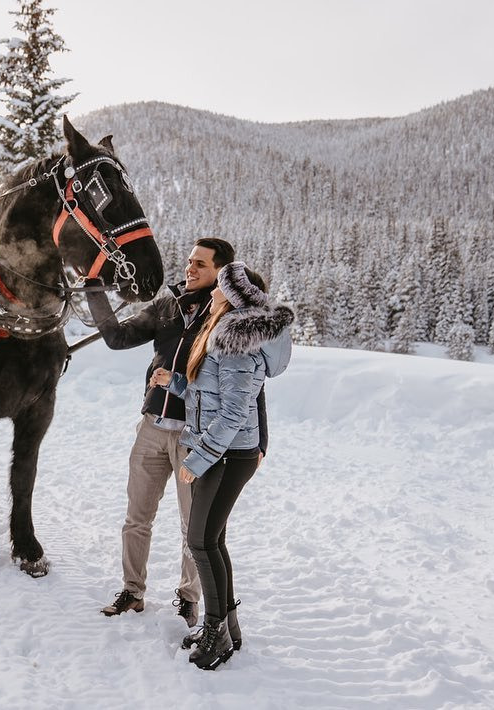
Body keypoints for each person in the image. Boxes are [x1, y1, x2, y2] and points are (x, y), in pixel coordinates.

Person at [90, 238, 267, 626]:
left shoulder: (227, 311)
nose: (190, 268)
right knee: (137, 516)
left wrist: (261, 440)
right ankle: (132, 591)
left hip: (197, 435)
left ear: (220, 271)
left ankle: (189, 599)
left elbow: (251, 383)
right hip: (153, 425)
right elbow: (118, 337)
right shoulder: (168, 303)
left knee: (195, 527)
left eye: (200, 264)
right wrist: (94, 291)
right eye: (189, 261)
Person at [150, 262, 293, 670]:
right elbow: (206, 394)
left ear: (232, 297)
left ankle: (216, 636)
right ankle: (227, 626)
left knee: (200, 542)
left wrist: (197, 460)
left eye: (220, 288)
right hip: (223, 452)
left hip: (226, 455)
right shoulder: (221, 337)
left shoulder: (235, 344)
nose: (212, 291)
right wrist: (174, 382)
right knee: (212, 541)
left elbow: (232, 414)